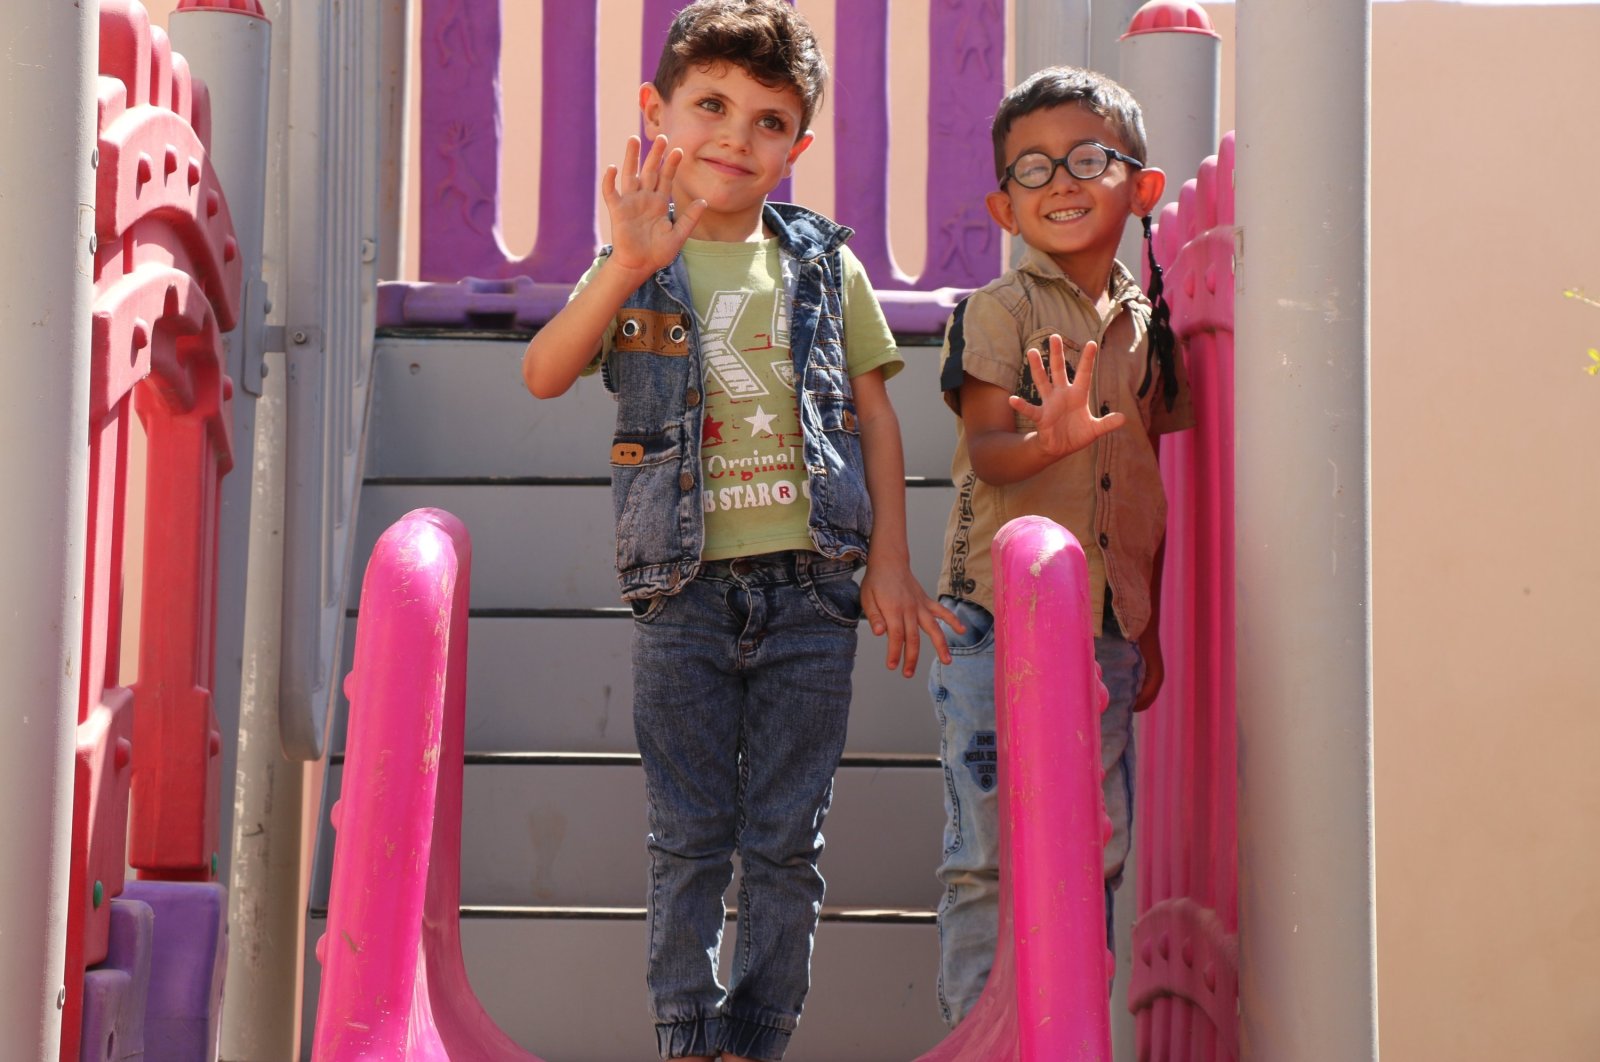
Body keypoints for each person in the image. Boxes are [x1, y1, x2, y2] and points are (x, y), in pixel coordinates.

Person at [520, 3, 957, 1058]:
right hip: (684, 591)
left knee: (783, 842)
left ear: (796, 147)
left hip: (812, 591)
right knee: (687, 838)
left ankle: (753, 1037)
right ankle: (684, 1032)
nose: (734, 135)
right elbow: (542, 373)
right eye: (709, 105)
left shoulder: (819, 262)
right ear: (656, 111)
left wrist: (890, 562)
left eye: (767, 120)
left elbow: (874, 414)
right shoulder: (635, 254)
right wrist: (622, 265)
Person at [927, 65, 1194, 1027]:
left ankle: (1062, 1031)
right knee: (989, 859)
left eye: (1089, 158)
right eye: (1032, 170)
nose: (1060, 183)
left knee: (1096, 845)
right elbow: (992, 451)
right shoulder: (998, 311)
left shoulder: (1150, 327)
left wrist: (1148, 625)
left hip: (1107, 631)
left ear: (1143, 187)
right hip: (995, 625)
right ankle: (980, 1035)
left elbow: (1149, 485)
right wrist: (1051, 440)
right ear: (1004, 203)